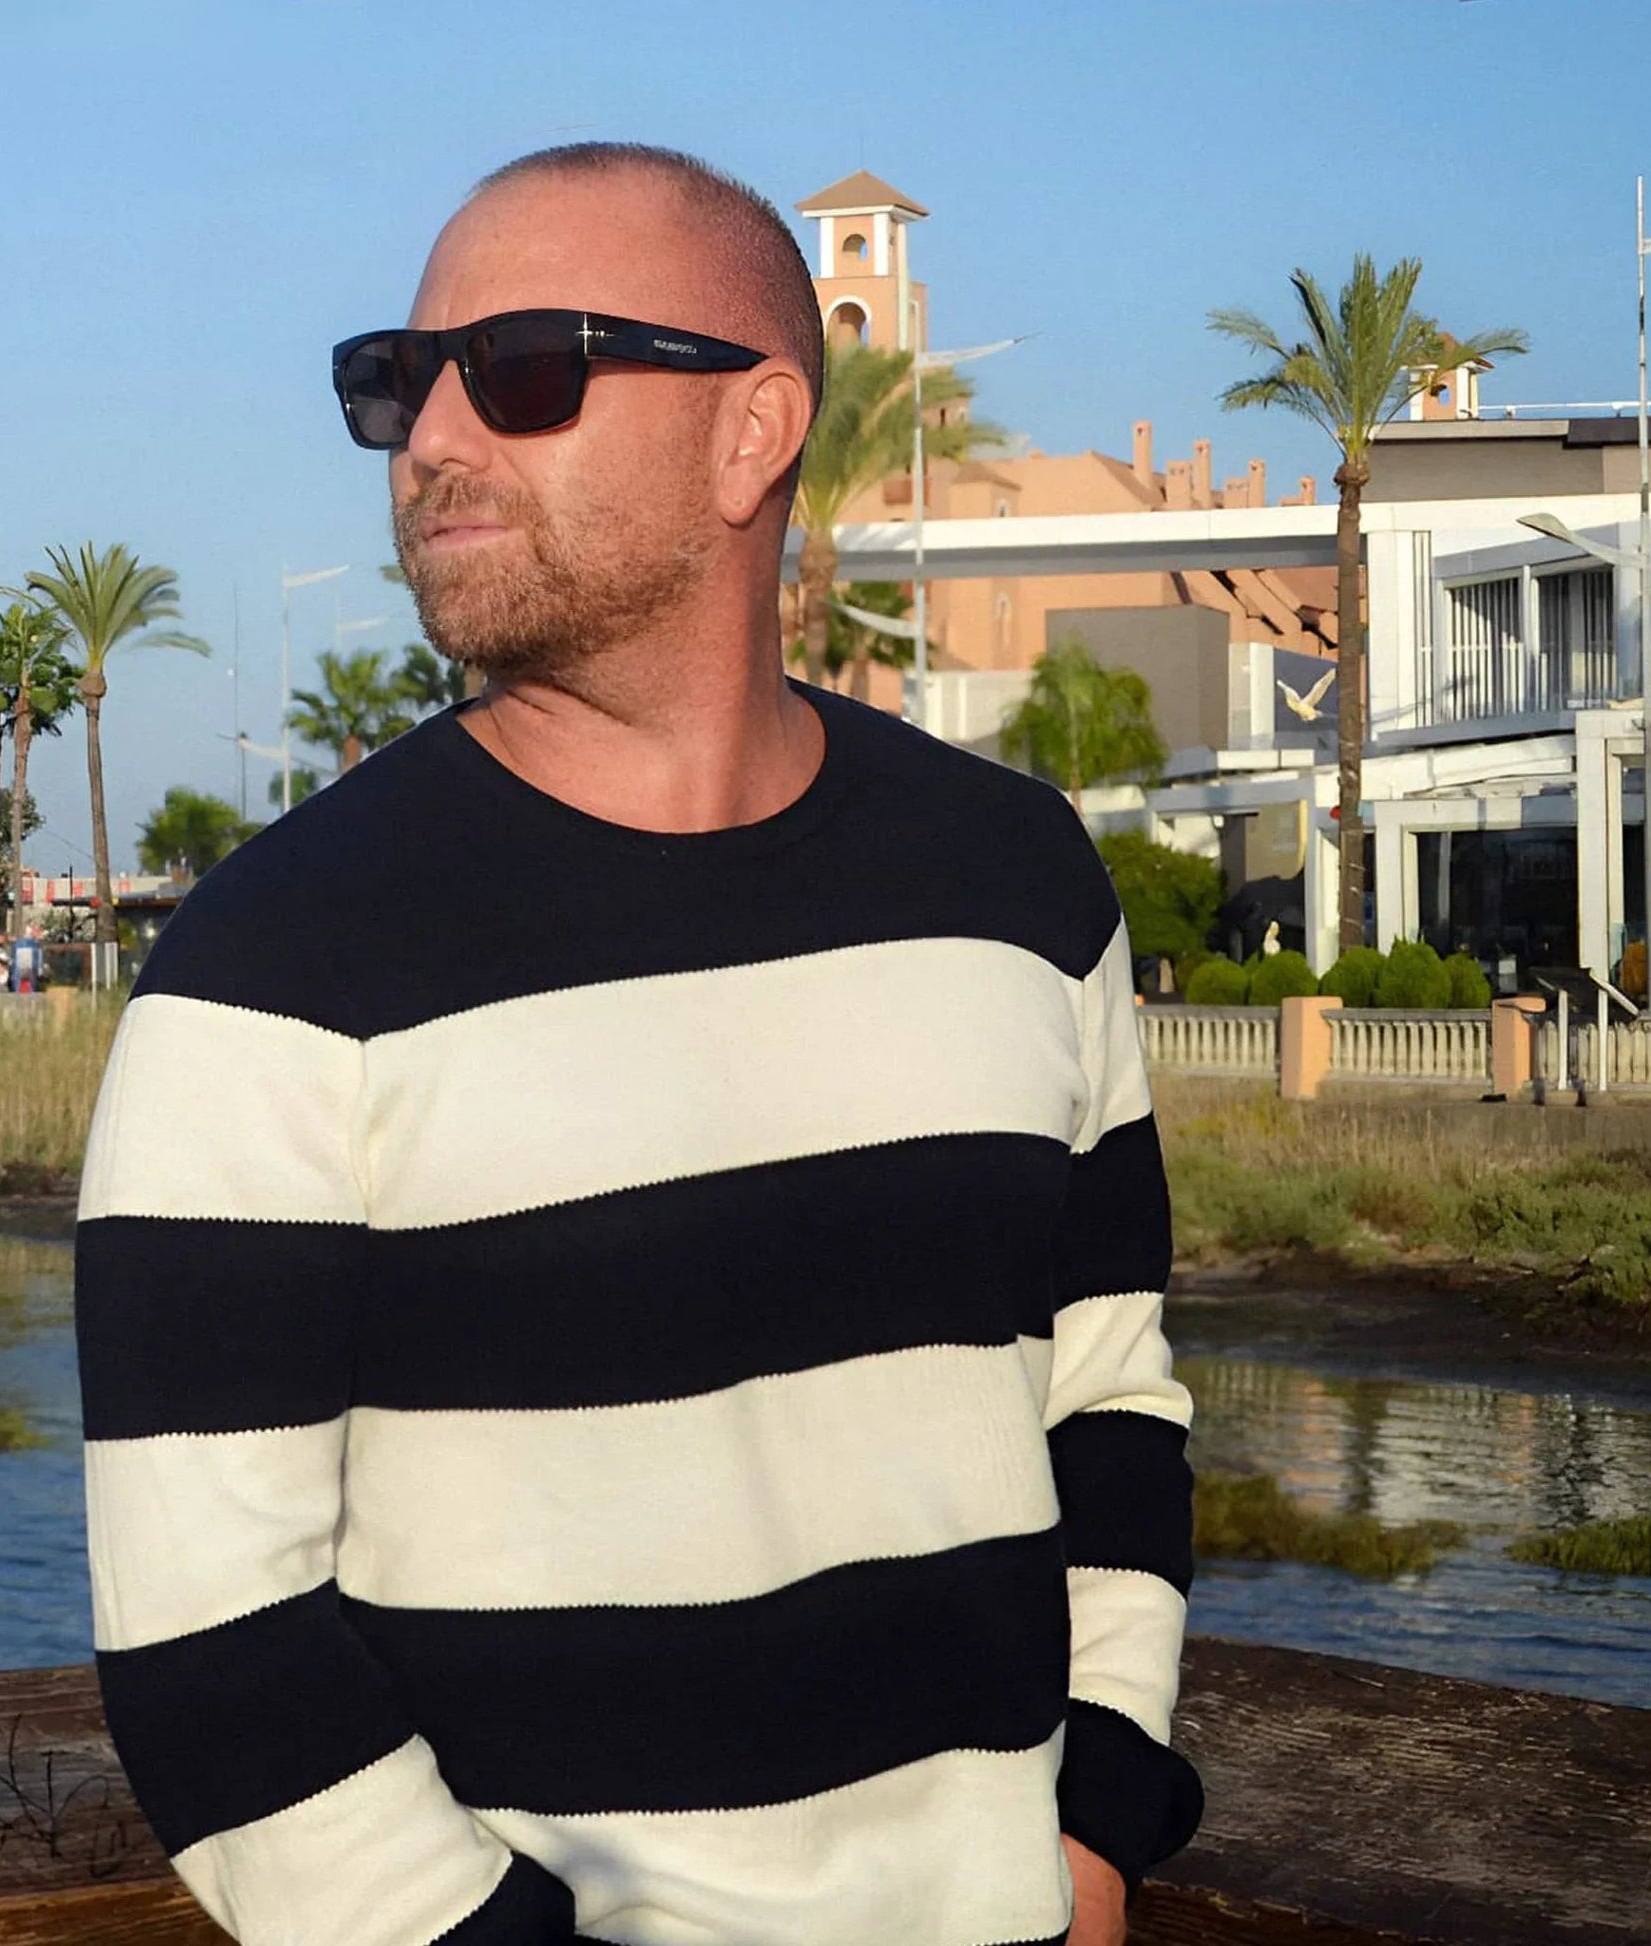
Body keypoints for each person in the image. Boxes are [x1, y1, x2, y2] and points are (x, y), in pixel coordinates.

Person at [74, 143, 1198, 1946]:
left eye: (521, 370)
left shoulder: (1017, 885)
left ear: (754, 433)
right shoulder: (272, 966)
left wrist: (1094, 1823)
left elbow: (1106, 1397)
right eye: (396, 381)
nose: (432, 439)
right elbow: (212, 1638)